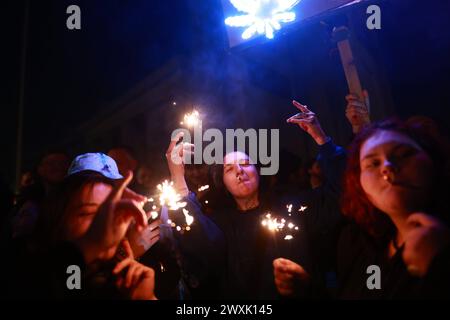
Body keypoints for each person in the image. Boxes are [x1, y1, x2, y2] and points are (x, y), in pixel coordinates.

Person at [274, 117, 450, 298]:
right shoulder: (359, 245)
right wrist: (308, 289)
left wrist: (441, 266)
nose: (387, 167)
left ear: (432, 159)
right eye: (373, 163)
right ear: (359, 183)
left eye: (404, 154)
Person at [4, 153, 157, 299]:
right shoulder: (28, 265)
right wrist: (88, 247)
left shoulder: (124, 277)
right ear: (59, 217)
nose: (103, 224)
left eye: (110, 213)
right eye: (89, 213)